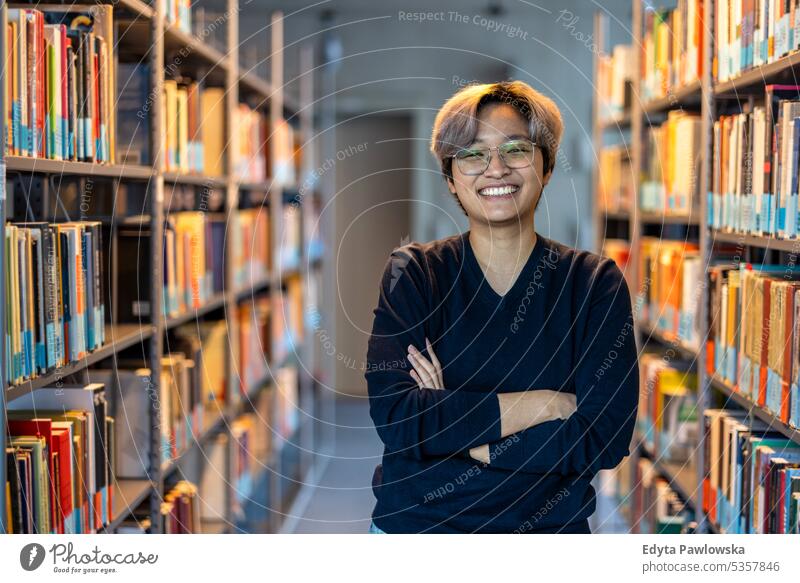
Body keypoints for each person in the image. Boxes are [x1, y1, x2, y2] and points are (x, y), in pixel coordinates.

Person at [364, 80, 639, 533]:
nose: (495, 168)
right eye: (472, 154)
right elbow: (398, 419)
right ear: (451, 178)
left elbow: (605, 436)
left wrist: (465, 438)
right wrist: (546, 404)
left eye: (516, 149)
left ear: (546, 167)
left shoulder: (593, 284)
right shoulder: (414, 274)